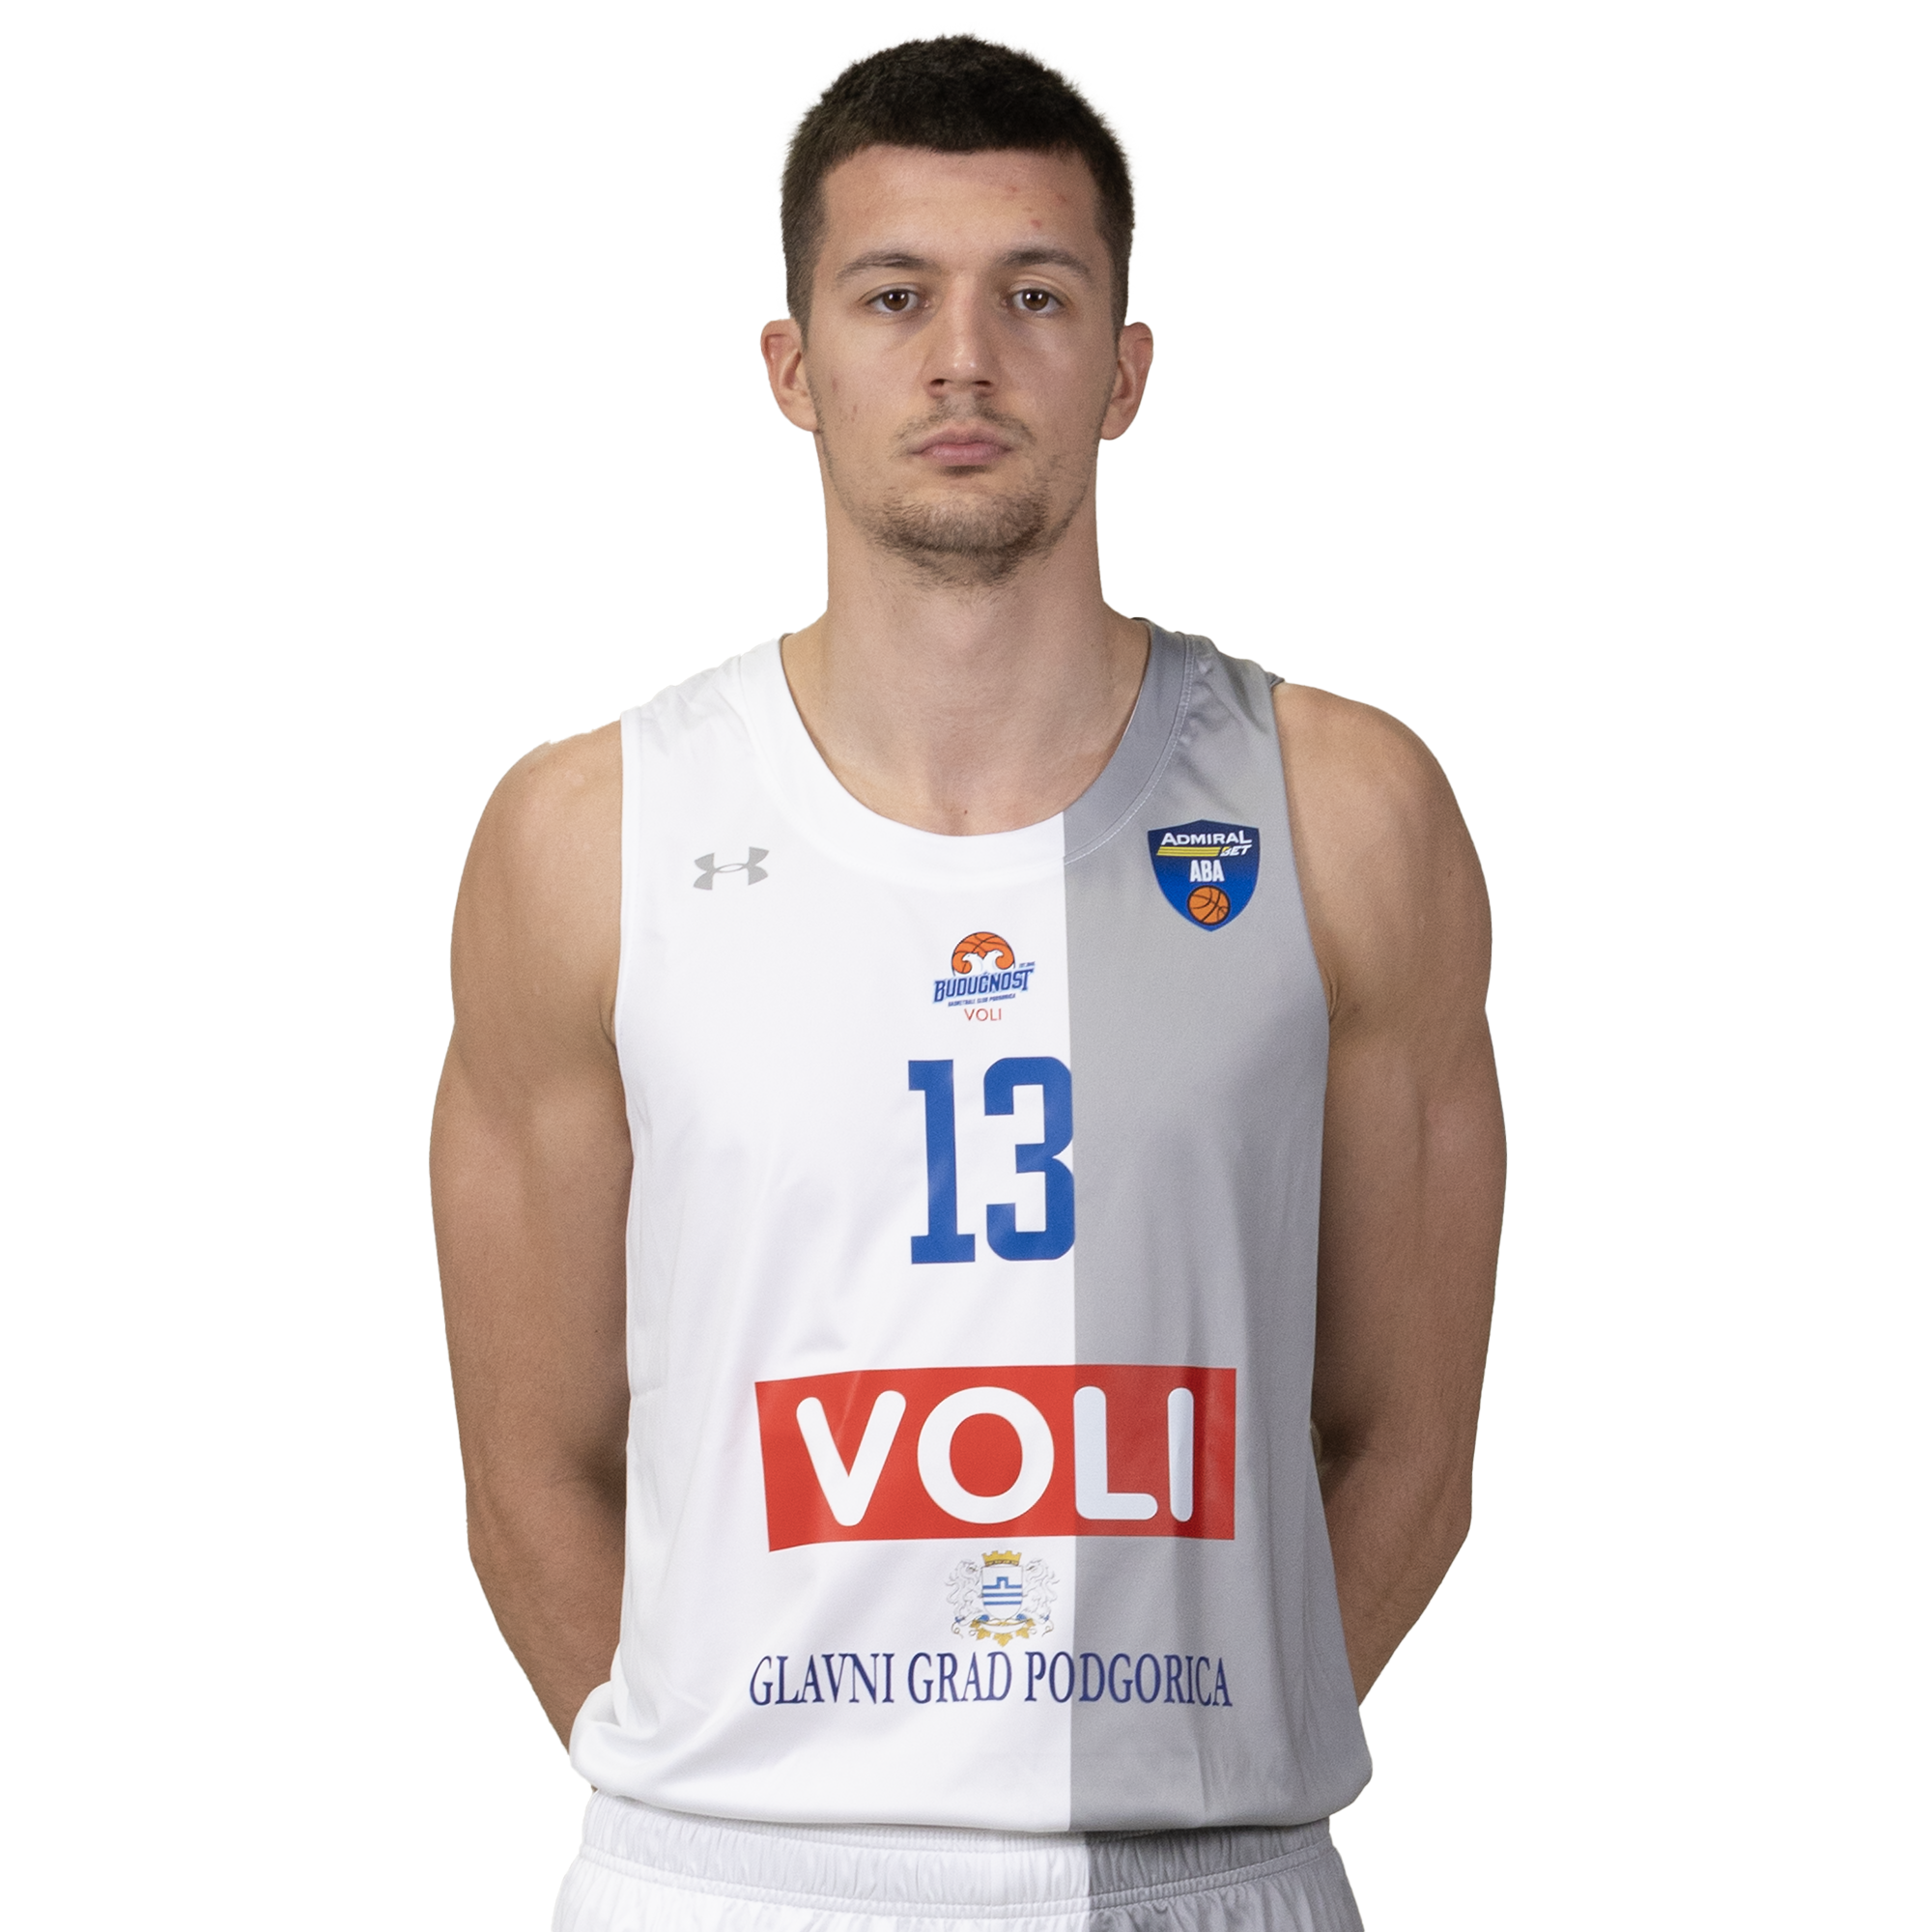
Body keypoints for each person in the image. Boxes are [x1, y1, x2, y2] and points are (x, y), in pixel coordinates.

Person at [432, 31, 1503, 1932]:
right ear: (793, 366)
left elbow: (1409, 1442)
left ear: (1124, 368)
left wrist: (1195, 1771)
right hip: (730, 1882)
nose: (962, 359)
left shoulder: (1342, 818)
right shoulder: (592, 837)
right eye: (891, 295)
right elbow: (532, 1464)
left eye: (1035, 294)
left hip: (1205, 1878)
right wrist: (748, 1809)